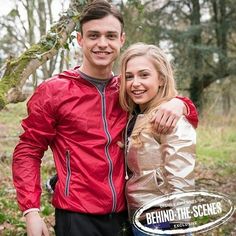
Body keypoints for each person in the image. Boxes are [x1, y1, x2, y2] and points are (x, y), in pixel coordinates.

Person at [12, 1, 198, 236]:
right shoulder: (54, 91)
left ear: (121, 39)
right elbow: (28, 150)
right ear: (80, 39)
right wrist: (31, 210)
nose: (102, 44)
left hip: (127, 215)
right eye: (93, 36)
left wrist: (180, 104)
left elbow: (172, 112)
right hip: (77, 216)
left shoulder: (128, 88)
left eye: (110, 36)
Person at [119, 43, 196, 235]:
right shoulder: (134, 115)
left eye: (144, 75)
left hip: (162, 222)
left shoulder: (169, 117)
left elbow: (181, 178)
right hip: (139, 219)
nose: (135, 83)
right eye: (129, 76)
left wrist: (180, 224)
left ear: (161, 79)